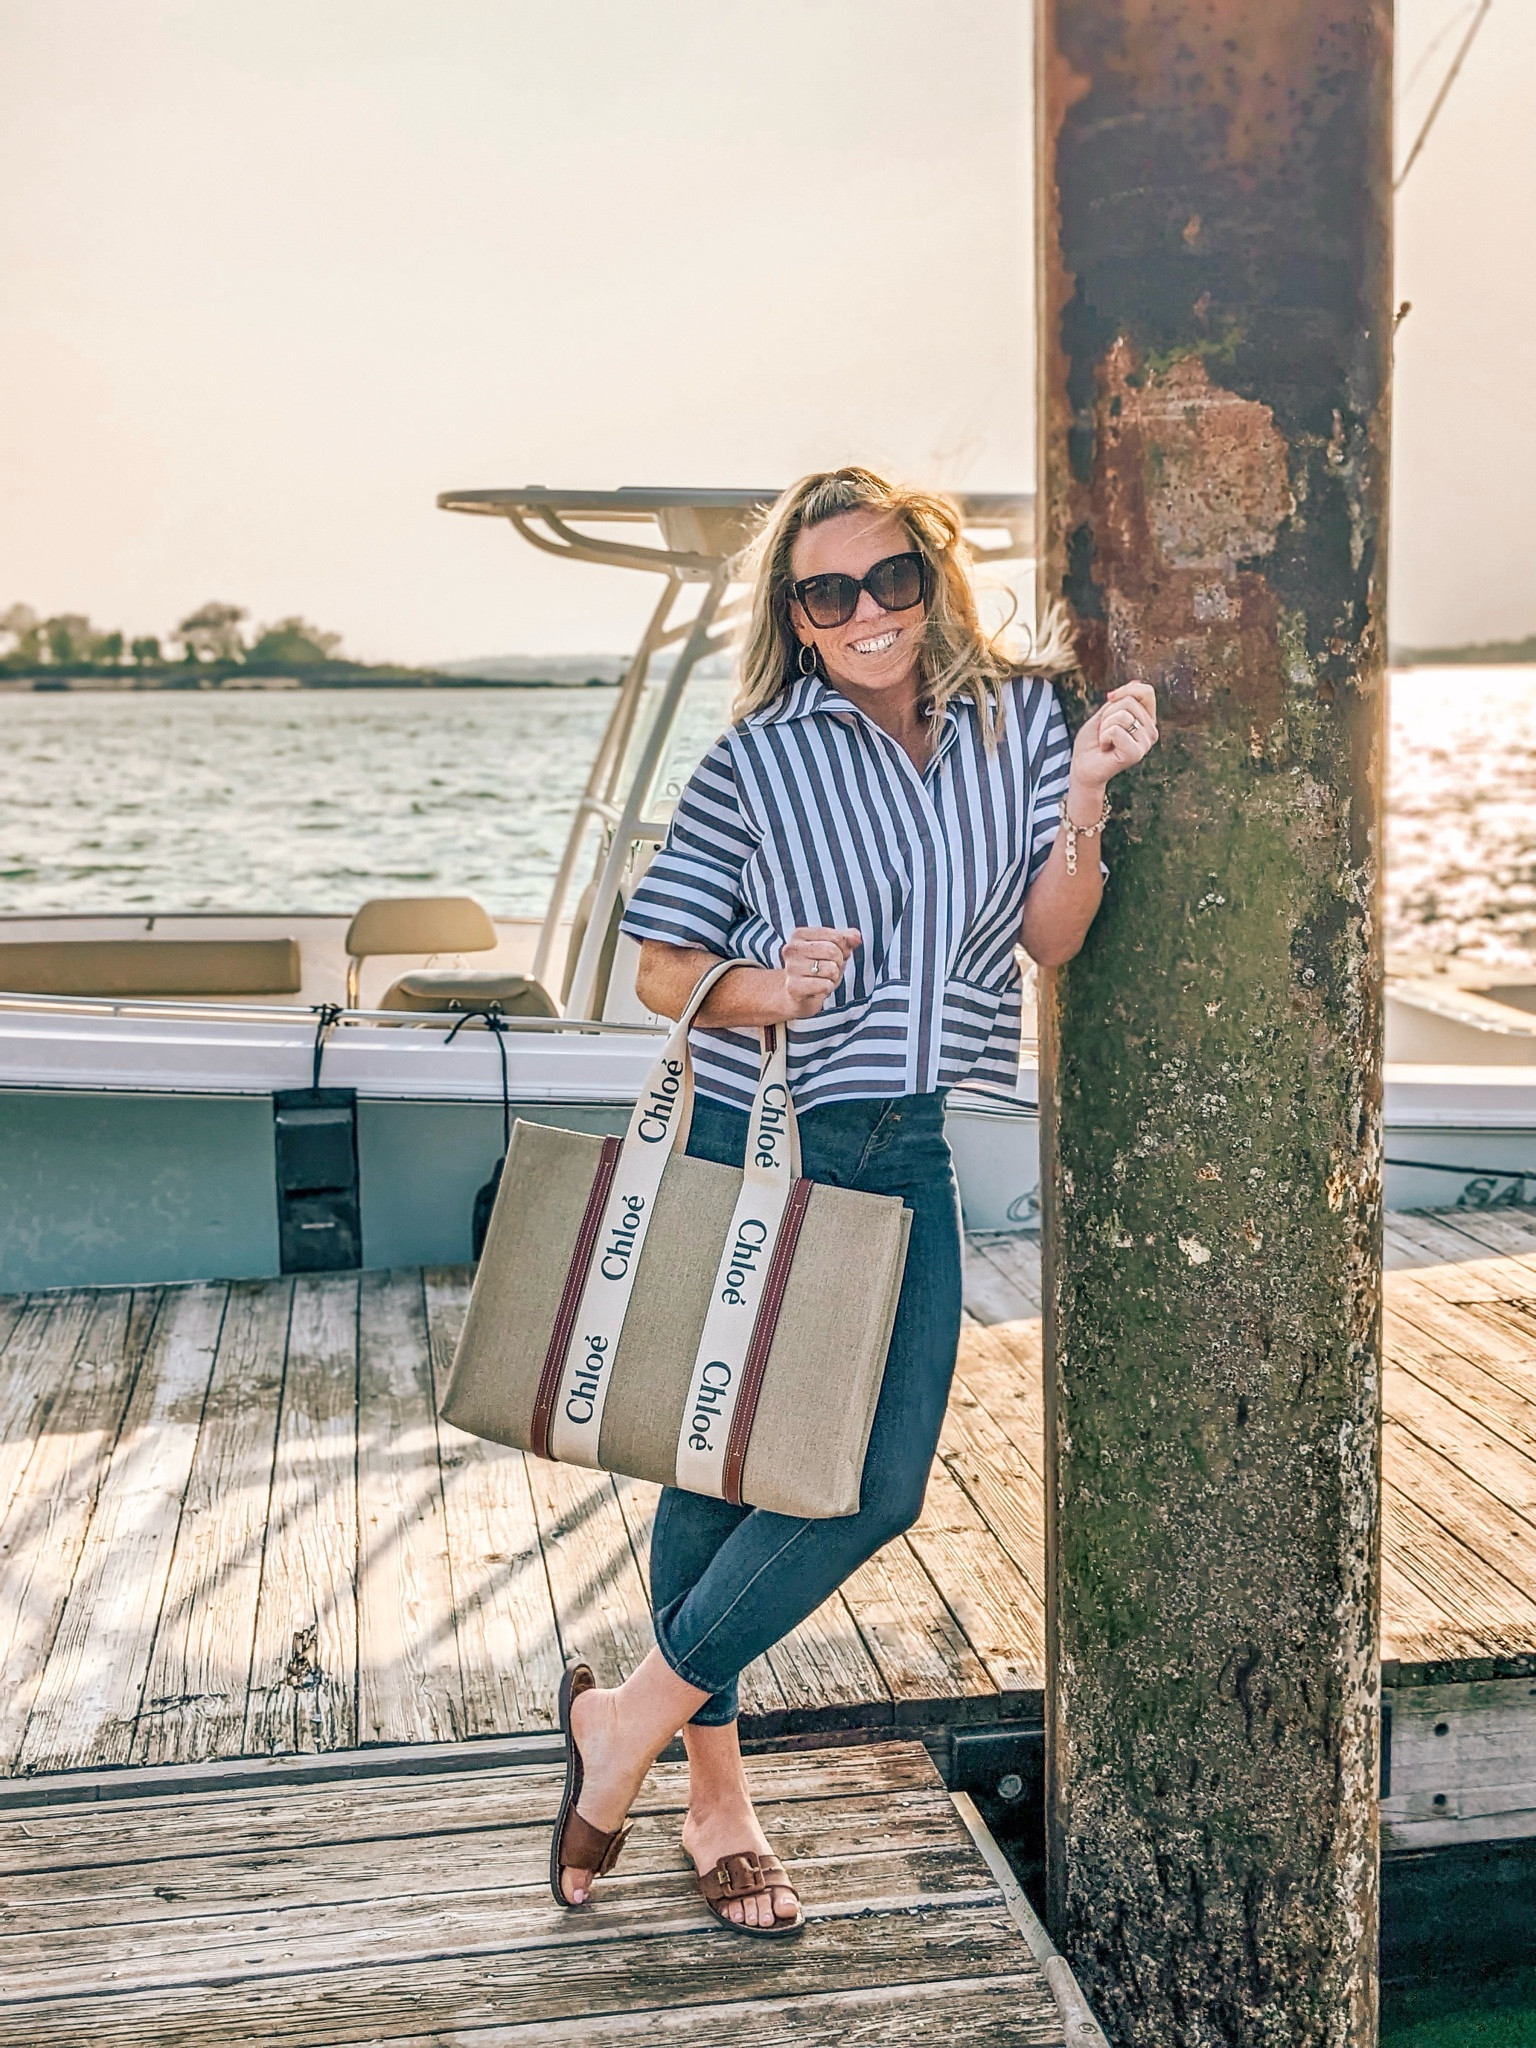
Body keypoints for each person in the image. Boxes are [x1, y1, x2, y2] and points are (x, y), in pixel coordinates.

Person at [550, 465, 1158, 1934]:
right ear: (799, 619)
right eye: (832, 595)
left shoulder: (1017, 725)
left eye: (893, 580)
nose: (870, 613)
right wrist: (772, 986)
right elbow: (661, 972)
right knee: (720, 1470)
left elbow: (1052, 936)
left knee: (873, 1488)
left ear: (932, 577)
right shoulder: (754, 760)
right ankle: (716, 1797)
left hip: (907, 1145)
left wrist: (1081, 792)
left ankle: (621, 1722)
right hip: (760, 1137)